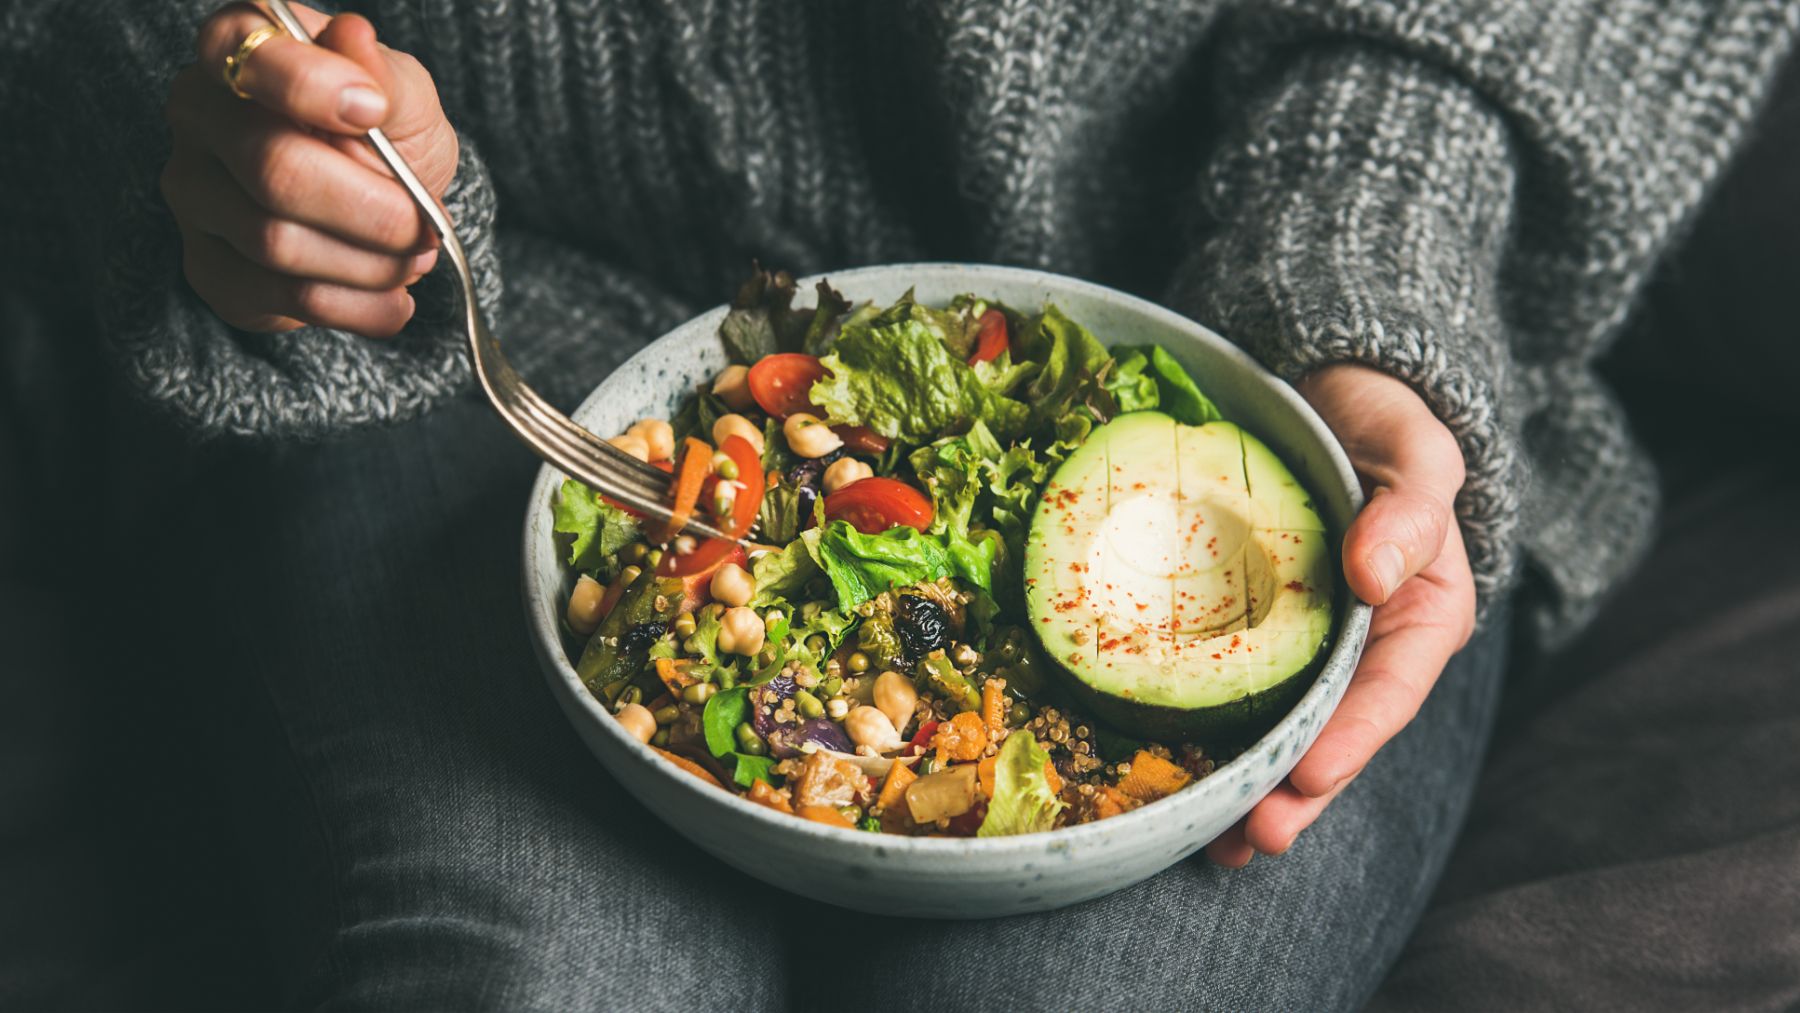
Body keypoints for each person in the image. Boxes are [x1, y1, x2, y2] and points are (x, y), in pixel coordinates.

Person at [1, 0, 1792, 1007]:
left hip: (1237, 325)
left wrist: (1372, 233)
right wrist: (232, 128)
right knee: (546, 977)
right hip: (448, 349)